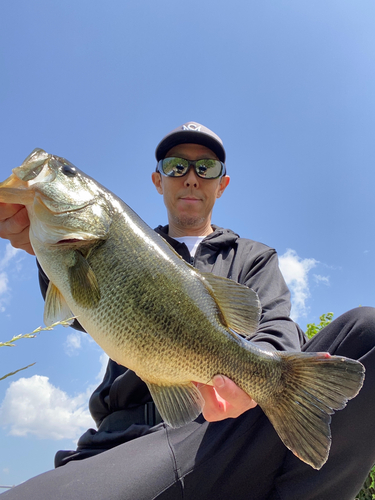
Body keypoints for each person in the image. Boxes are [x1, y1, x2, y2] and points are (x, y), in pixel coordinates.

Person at [0, 122, 374, 500]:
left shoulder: (253, 258)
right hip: (121, 444)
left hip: (219, 434)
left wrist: (254, 380)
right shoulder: (125, 240)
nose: (191, 178)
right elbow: (80, 308)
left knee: (368, 331)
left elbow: (275, 328)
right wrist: (44, 250)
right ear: (158, 180)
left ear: (221, 184)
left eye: (206, 167)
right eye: (177, 166)